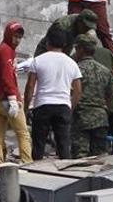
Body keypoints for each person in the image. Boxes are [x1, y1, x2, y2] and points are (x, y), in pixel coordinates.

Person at [24, 26, 82, 160]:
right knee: (63, 144)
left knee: (38, 144)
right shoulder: (72, 63)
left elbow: (30, 87)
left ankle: (36, 172)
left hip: (42, 106)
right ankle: (65, 174)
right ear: (65, 44)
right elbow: (78, 91)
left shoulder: (38, 60)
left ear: (47, 42)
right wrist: (70, 108)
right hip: (63, 106)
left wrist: (26, 108)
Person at [0, 21, 32, 164]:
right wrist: (13, 98)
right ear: (8, 35)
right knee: (23, 133)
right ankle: (27, 162)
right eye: (15, 36)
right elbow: (7, 76)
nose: (17, 40)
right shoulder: (6, 51)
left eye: (19, 37)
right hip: (7, 99)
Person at [71, 34, 112, 158]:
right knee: (100, 157)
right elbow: (109, 96)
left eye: (76, 48)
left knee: (80, 158)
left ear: (82, 49)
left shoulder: (76, 70)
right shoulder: (105, 71)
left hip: (81, 118)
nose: (75, 51)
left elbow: (72, 94)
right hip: (101, 118)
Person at [34, 9, 98, 57]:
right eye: (85, 27)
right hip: (48, 49)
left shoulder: (86, 29)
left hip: (67, 48)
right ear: (79, 22)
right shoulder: (62, 25)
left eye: (89, 28)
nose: (87, 30)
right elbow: (55, 47)